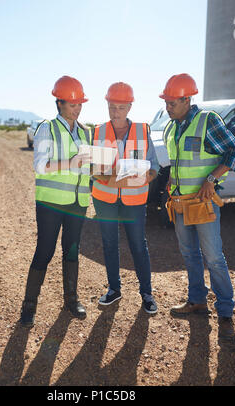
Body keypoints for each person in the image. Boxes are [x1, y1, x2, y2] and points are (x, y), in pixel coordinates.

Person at [160, 73, 235, 336]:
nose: (167, 108)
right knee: (189, 254)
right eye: (166, 102)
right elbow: (177, 163)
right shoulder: (171, 128)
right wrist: (171, 185)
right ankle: (196, 301)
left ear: (187, 99)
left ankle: (225, 308)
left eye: (172, 103)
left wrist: (211, 178)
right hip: (181, 203)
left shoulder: (208, 121)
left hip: (204, 203)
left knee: (214, 257)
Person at [19, 75, 92, 327]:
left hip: (77, 203)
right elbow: (40, 166)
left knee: (72, 250)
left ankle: (71, 300)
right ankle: (29, 306)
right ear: (59, 103)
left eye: (80, 103)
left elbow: (87, 166)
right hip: (51, 204)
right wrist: (70, 163)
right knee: (45, 251)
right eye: (73, 104)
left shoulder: (85, 132)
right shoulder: (47, 128)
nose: (77, 108)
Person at [92, 82, 159, 314]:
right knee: (110, 244)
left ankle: (147, 294)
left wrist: (145, 178)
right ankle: (114, 289)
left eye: (120, 107)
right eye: (112, 107)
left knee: (138, 246)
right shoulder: (100, 131)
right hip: (105, 200)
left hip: (134, 201)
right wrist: (116, 180)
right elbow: (97, 170)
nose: (115, 112)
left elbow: (154, 167)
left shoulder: (143, 131)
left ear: (130, 107)